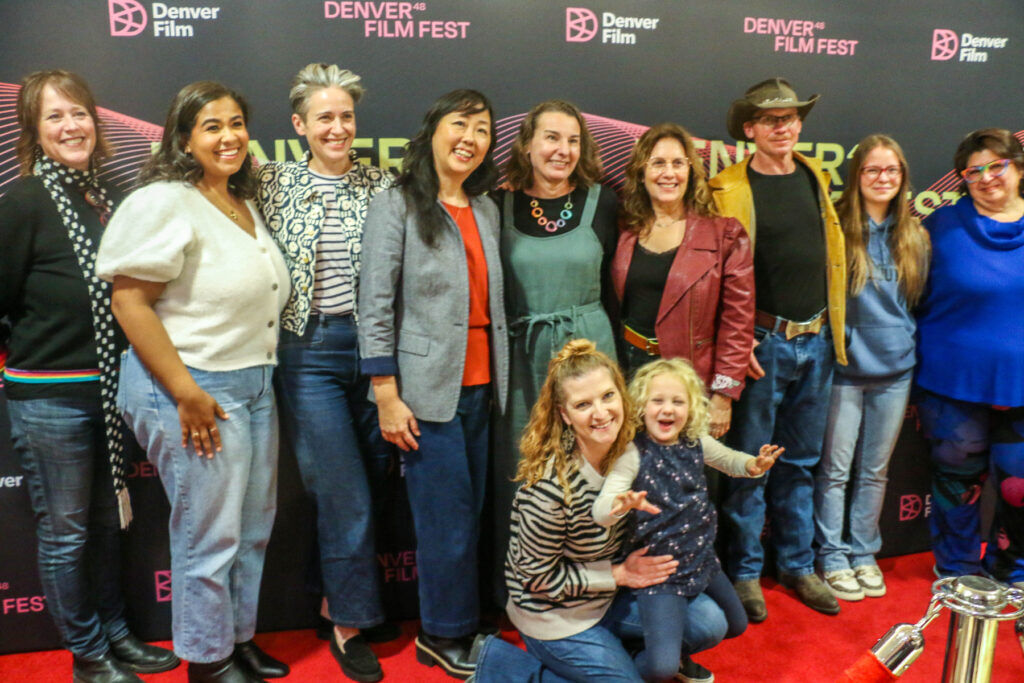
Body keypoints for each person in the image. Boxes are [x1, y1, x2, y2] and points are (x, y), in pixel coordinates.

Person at [96, 81, 291, 683]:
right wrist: (185, 391)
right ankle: (208, 662)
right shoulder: (163, 201)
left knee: (251, 531)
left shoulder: (239, 199)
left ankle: (236, 639)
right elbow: (129, 303)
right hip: (192, 389)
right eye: (212, 126)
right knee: (210, 537)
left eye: (237, 123)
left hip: (253, 383)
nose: (229, 136)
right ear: (184, 137)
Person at [0, 69, 179, 683]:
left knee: (108, 525)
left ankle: (118, 636)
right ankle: (87, 653)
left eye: (78, 113)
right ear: (35, 131)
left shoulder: (103, 199)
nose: (71, 126)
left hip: (110, 391)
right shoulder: (25, 200)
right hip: (50, 399)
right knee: (68, 532)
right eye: (54, 117)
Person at [358, 89, 509, 679]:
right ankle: (441, 636)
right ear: (433, 131)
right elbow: (374, 305)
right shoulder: (396, 203)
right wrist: (385, 393)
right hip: (424, 390)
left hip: (483, 386)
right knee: (443, 522)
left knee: (469, 518)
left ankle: (464, 616)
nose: (471, 137)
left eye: (482, 128)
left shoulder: (487, 207)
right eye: (460, 124)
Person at [255, 62, 394, 683]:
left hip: (374, 354)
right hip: (306, 352)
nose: (337, 128)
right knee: (343, 491)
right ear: (299, 125)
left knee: (373, 481)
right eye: (324, 118)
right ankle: (348, 620)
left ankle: (333, 595)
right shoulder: (273, 183)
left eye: (346, 117)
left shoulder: (382, 183)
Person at [483, 339, 728, 683]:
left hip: (610, 597)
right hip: (557, 615)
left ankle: (622, 660)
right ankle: (500, 668)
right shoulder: (547, 490)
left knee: (711, 622)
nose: (601, 413)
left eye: (608, 396)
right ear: (564, 414)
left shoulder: (639, 449)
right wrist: (618, 575)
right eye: (583, 404)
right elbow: (536, 580)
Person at [708, 77, 847, 620]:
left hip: (817, 341)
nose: (783, 126)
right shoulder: (726, 188)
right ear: (750, 129)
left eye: (790, 117)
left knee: (802, 463)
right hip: (760, 345)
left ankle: (797, 564)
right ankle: (744, 572)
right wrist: (734, 342)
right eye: (770, 119)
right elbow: (716, 275)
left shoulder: (817, 176)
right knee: (749, 465)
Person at [491, 100, 619, 600]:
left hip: (591, 353)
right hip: (525, 358)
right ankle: (525, 591)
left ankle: (592, 588)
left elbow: (617, 287)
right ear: (527, 144)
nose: (561, 150)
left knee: (591, 472)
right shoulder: (496, 204)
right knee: (525, 472)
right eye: (550, 137)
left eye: (572, 140)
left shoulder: (602, 203)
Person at [593, 357, 781, 682]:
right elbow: (601, 511)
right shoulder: (632, 453)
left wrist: (753, 465)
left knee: (736, 623)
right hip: (660, 574)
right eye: (658, 401)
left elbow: (728, 459)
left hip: (700, 558)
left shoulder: (696, 440)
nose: (668, 409)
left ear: (692, 406)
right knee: (661, 669)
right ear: (640, 405)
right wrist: (620, 503)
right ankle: (621, 667)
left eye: (678, 401)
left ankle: (666, 649)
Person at [813, 135, 930, 601]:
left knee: (875, 471)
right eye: (872, 171)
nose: (883, 179)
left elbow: (918, 304)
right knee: (835, 470)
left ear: (902, 178)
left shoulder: (915, 236)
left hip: (895, 371)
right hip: (844, 370)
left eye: (892, 171)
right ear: (856, 176)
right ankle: (832, 556)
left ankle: (864, 553)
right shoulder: (836, 229)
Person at [914, 128, 1024, 584]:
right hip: (952, 383)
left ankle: (1014, 567)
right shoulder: (939, 227)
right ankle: (957, 568)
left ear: (1018, 169)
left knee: (1019, 488)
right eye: (973, 170)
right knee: (956, 485)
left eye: (996, 166)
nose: (986, 177)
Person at [612, 122, 755, 439]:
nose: (668, 173)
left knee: (686, 477)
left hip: (690, 376)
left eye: (678, 163)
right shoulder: (623, 228)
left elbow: (738, 322)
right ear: (641, 171)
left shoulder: (725, 235)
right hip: (629, 371)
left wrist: (723, 395)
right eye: (658, 163)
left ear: (691, 171)